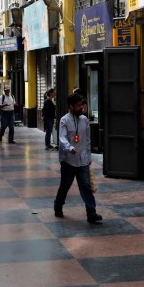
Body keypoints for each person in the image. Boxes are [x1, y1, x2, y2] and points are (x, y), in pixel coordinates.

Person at [54, 93, 102, 223]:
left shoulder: (84, 120)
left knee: (86, 186)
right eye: (78, 105)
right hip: (69, 160)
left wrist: (89, 156)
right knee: (65, 186)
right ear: (71, 107)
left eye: (82, 105)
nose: (81, 107)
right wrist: (70, 148)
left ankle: (91, 212)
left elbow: (87, 140)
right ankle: (58, 205)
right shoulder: (64, 120)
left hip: (83, 159)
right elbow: (62, 138)